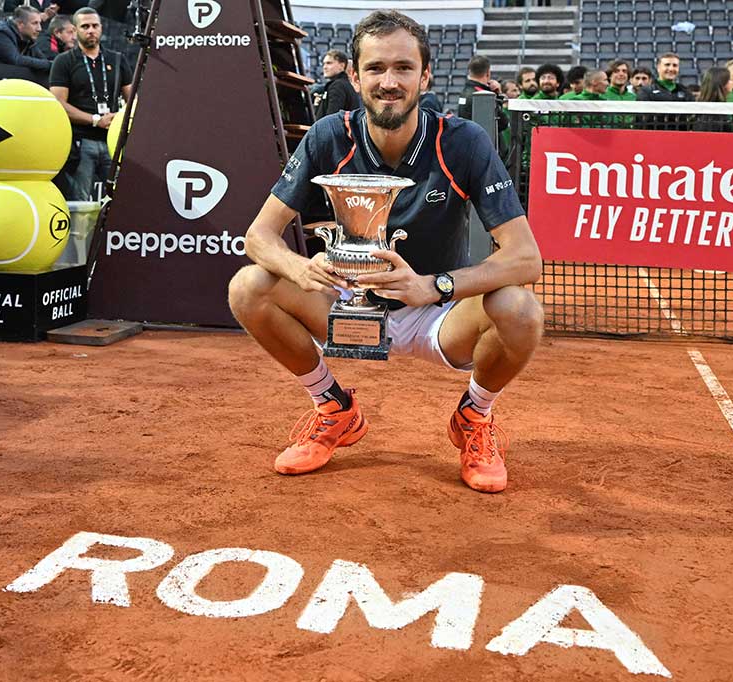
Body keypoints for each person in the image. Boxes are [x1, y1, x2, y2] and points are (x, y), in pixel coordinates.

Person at [227, 10, 542, 494]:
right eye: (375, 68)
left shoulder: (463, 142)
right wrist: (301, 267)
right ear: (354, 76)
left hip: (437, 314)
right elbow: (258, 237)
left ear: (425, 75)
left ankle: (474, 417)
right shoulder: (329, 134)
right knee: (249, 287)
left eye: (402, 68)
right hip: (346, 305)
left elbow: (525, 259)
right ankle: (333, 408)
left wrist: (432, 286)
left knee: (519, 308)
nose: (388, 82)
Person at [49, 7, 133, 201]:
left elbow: (133, 100)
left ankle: (113, 232)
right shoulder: (63, 62)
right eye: (85, 26)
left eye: (95, 26)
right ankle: (80, 233)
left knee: (121, 199)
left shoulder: (117, 59)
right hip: (81, 141)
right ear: (75, 29)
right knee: (80, 201)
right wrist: (95, 120)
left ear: (101, 28)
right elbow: (58, 104)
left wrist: (119, 118)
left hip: (113, 140)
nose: (91, 30)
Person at [0, 5, 52, 72]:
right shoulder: (1, 33)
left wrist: (51, 65)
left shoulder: (28, 38)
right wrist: (49, 64)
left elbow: (43, 60)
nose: (39, 29)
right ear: (20, 24)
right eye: (35, 23)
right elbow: (16, 60)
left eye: (40, 23)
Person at [313, 49, 358, 119]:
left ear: (342, 66)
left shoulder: (338, 86)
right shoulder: (342, 84)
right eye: (324, 64)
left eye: (329, 63)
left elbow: (331, 120)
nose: (324, 67)